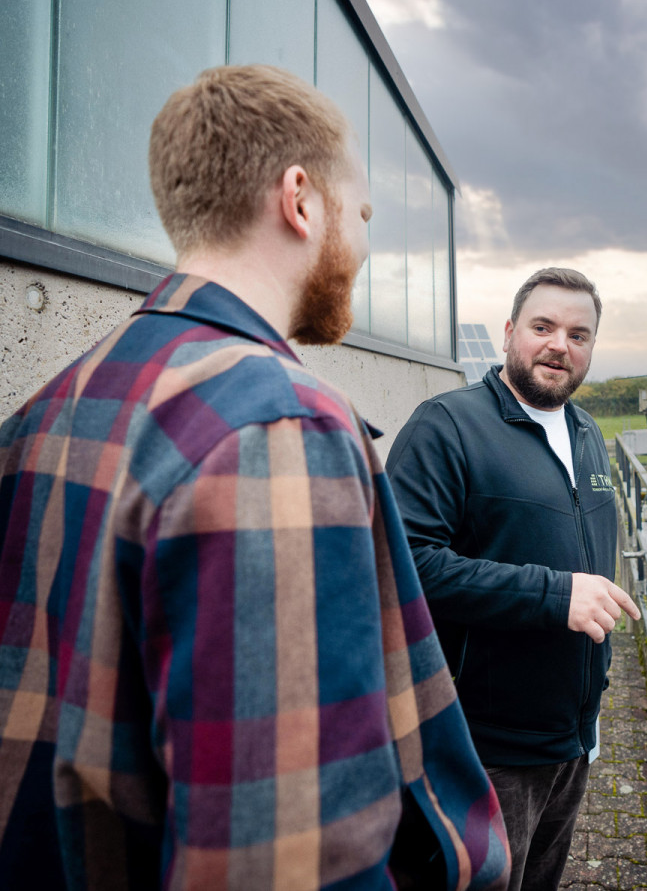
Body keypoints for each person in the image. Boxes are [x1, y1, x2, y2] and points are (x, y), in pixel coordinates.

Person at [0, 65, 509, 890]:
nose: (368, 245)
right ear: (301, 201)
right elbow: (289, 859)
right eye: (365, 213)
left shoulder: (49, 405)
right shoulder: (277, 424)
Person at [385, 267, 641, 891]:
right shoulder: (445, 427)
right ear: (508, 333)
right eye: (544, 326)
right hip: (483, 742)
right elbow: (403, 563)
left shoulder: (586, 433)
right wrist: (556, 595)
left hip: (571, 736)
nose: (560, 345)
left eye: (579, 335)